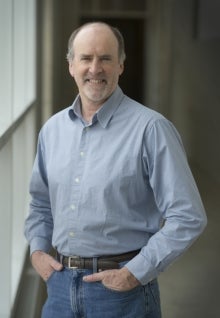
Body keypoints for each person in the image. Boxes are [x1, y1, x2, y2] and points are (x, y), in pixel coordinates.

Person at [24, 21, 207, 318]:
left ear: (121, 65)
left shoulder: (152, 129)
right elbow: (40, 202)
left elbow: (188, 215)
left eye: (105, 58)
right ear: (71, 65)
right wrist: (37, 251)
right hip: (58, 289)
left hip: (121, 294)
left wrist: (135, 273)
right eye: (86, 58)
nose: (95, 69)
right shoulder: (52, 130)